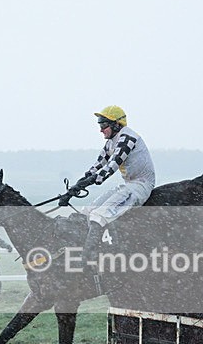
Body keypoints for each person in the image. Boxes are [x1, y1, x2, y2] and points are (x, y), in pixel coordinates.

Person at [61, 105, 156, 292]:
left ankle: (86, 263)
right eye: (99, 123)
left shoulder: (128, 138)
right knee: (87, 211)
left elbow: (111, 167)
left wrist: (86, 183)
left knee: (99, 216)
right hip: (128, 184)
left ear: (116, 124)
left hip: (141, 185)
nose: (100, 129)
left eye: (103, 124)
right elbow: (97, 165)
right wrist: (73, 189)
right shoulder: (110, 142)